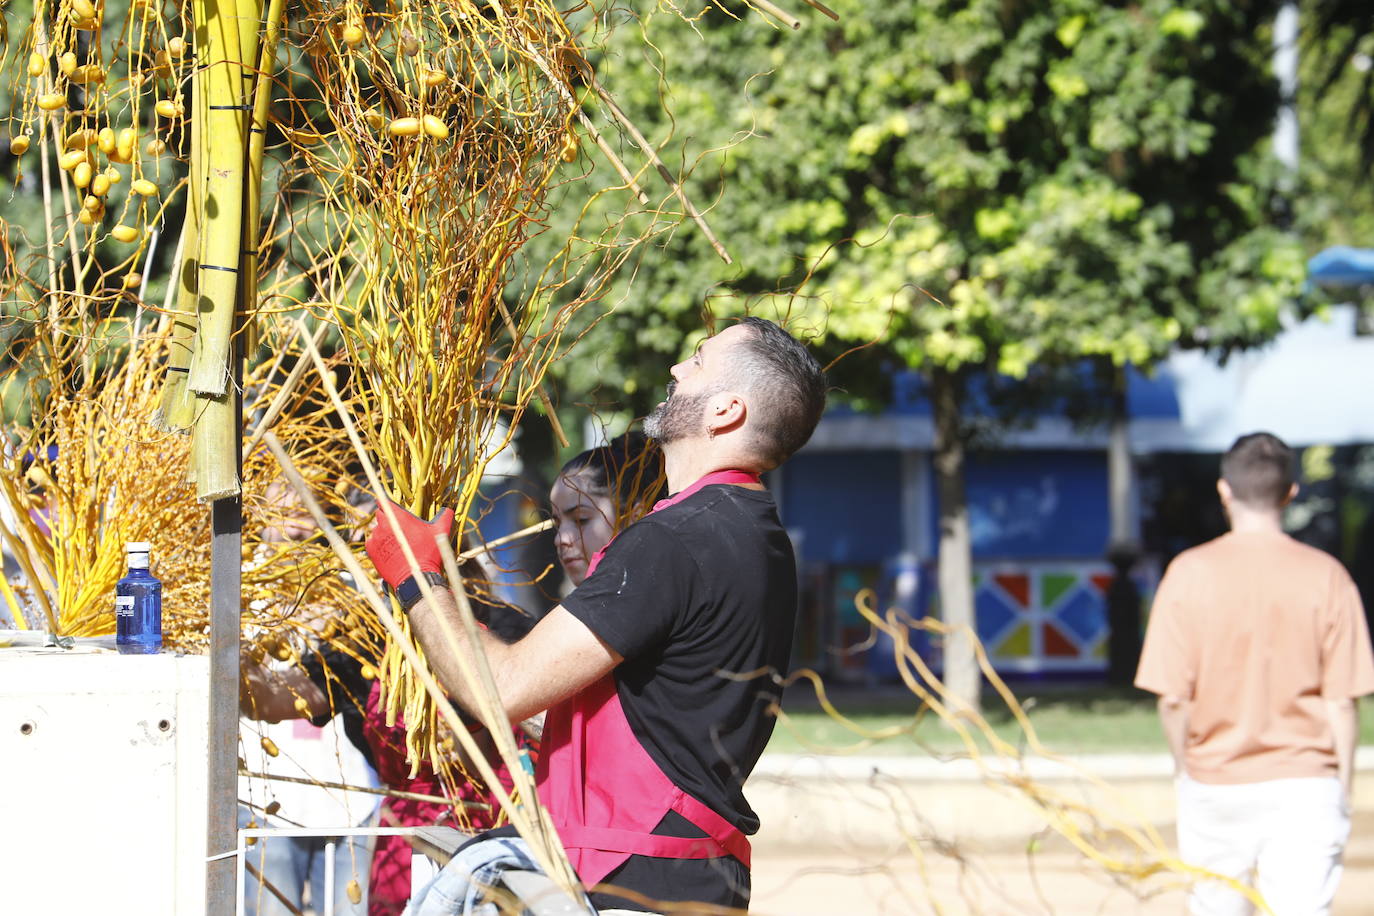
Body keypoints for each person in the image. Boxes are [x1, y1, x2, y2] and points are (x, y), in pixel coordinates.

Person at [364, 317, 827, 914]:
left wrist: (417, 578)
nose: (676, 370)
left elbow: (501, 689)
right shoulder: (750, 531)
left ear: (725, 410)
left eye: (698, 362)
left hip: (635, 875)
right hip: (679, 872)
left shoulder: (677, 539)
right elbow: (658, 711)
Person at [1135, 432, 1374, 916]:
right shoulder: (1328, 576)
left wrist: (1187, 773)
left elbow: (1173, 700)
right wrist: (1342, 788)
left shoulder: (1188, 573)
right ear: (1290, 493)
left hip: (1214, 784)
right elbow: (1341, 702)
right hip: (1307, 786)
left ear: (1224, 490)